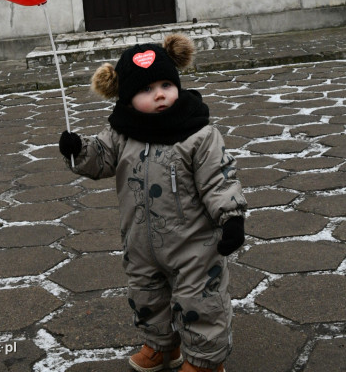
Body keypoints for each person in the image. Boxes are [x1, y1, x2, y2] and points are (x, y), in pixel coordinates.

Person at [59, 33, 246, 372]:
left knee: (200, 301)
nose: (159, 94)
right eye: (145, 90)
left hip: (194, 245)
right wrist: (78, 150)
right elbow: (99, 160)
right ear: (128, 99)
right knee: (147, 297)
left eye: (165, 85)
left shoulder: (198, 134)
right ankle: (162, 347)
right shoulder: (121, 133)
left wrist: (231, 217)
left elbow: (219, 177)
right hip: (141, 243)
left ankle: (205, 361)